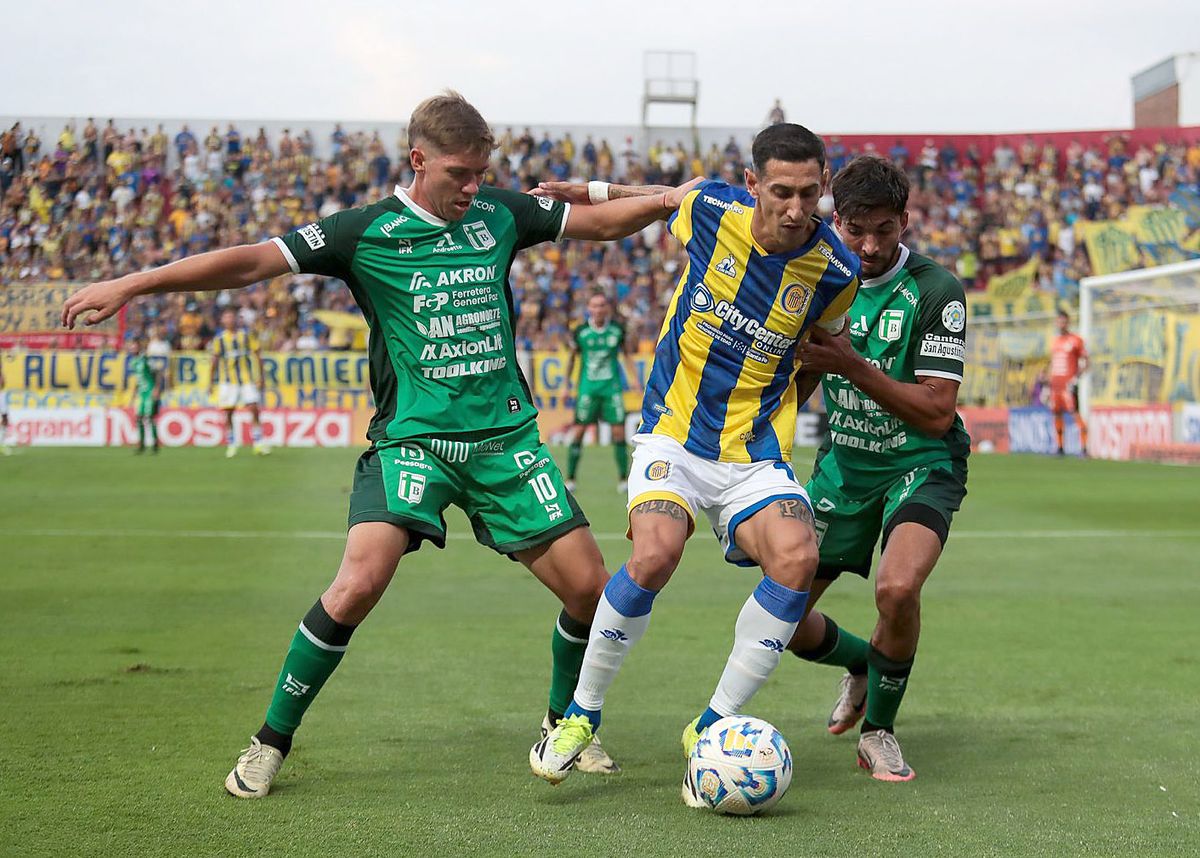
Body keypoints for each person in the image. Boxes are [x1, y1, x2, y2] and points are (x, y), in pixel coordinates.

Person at [62, 90, 699, 800]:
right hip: (415, 445)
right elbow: (249, 263)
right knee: (358, 583)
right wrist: (134, 281)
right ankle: (270, 741)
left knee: (589, 588)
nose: (473, 187)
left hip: (505, 444)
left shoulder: (499, 214)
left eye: (482, 173)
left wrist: (669, 198)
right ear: (418, 160)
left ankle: (562, 725)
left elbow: (601, 223)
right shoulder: (362, 231)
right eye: (460, 173)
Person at [528, 123, 860, 806]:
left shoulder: (835, 273)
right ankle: (580, 717)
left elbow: (821, 350)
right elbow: (659, 196)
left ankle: (710, 727)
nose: (796, 209)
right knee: (654, 555)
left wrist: (787, 416)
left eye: (808, 194)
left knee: (796, 559)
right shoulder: (711, 210)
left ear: (823, 188)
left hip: (753, 451)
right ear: (752, 187)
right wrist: (586, 192)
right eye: (780, 192)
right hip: (672, 435)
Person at [783, 154, 971, 782]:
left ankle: (880, 731)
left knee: (896, 589)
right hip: (844, 465)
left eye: (883, 231)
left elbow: (938, 412)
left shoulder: (935, 290)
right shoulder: (812, 279)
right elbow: (799, 379)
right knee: (778, 621)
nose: (867, 245)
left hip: (920, 462)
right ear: (836, 220)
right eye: (854, 230)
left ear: (904, 223)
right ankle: (866, 663)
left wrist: (855, 366)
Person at [563, 292, 635, 494]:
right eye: (594, 305)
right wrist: (566, 385)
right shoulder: (581, 331)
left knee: (619, 432)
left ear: (607, 308)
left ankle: (623, 478)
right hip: (588, 388)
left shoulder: (617, 330)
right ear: (588, 308)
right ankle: (570, 478)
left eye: (602, 305)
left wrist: (634, 380)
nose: (598, 309)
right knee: (578, 432)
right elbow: (572, 358)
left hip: (611, 387)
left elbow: (627, 355)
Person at [209, 307, 269, 458]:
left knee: (254, 408)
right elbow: (214, 361)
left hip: (247, 379)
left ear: (236, 319)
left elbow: (258, 355)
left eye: (232, 317)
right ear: (223, 321)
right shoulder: (220, 340)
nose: (230, 320)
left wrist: (261, 377)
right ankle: (231, 443)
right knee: (229, 412)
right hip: (228, 382)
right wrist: (210, 382)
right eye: (227, 317)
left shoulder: (246, 336)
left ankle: (258, 442)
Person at [1049, 310, 1088, 456]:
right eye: (1059, 321)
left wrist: (1076, 378)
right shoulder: (1055, 341)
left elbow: (1086, 361)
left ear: (1068, 322)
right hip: (1055, 385)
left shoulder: (1076, 340)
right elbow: (1053, 363)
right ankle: (1060, 448)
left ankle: (1084, 448)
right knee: (1057, 414)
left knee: (1074, 413)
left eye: (1064, 321)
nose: (1061, 324)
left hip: (1068, 385)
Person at [127, 334, 166, 454]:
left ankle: (155, 445)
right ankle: (142, 445)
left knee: (149, 418)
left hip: (150, 391)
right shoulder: (134, 362)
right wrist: (134, 394)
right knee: (139, 418)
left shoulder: (146, 359)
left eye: (133, 347)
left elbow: (159, 373)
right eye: (131, 347)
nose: (131, 349)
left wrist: (157, 389)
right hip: (142, 394)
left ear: (139, 347)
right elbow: (138, 379)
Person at [0, 357, 11, 455]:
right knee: (5, 418)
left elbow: (2, 384)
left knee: (5, 418)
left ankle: (1, 444)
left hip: (1, 394)